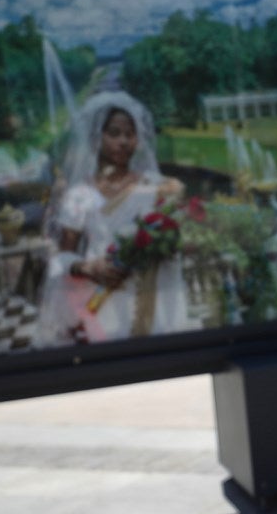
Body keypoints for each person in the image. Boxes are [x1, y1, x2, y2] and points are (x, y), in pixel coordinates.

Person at [36, 90, 191, 345]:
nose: (123, 141)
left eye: (130, 134)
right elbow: (64, 257)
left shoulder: (155, 186)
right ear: (97, 138)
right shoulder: (80, 195)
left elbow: (178, 233)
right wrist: (87, 267)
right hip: (105, 295)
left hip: (153, 294)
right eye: (115, 133)